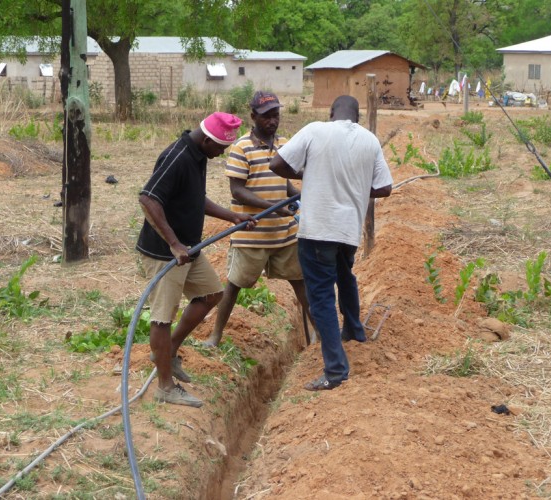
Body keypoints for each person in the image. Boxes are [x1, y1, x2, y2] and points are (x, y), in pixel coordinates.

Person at [270, 95, 393, 391]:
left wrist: (308, 174)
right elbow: (385, 187)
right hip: (348, 231)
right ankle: (354, 330)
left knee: (321, 296)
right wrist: (357, 188)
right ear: (357, 118)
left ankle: (335, 370)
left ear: (331, 112)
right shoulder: (370, 141)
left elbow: (277, 163)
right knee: (344, 276)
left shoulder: (315, 130)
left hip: (317, 230)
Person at [136, 112, 256, 408]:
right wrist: (174, 243)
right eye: (220, 148)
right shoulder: (177, 157)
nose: (222, 153)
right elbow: (148, 198)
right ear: (206, 140)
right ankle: (165, 386)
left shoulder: (199, 154)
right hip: (166, 253)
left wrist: (232, 216)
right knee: (162, 318)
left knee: (212, 293)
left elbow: (195, 199)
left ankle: (168, 351)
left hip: (188, 249)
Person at [202, 91, 314, 348]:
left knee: (301, 283)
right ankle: (216, 335)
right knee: (234, 284)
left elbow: (284, 183)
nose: (272, 121)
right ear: (253, 117)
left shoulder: (285, 144)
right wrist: (271, 207)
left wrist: (301, 197)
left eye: (276, 115)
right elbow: (237, 190)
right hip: (251, 231)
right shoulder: (242, 147)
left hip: (283, 232)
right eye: (266, 116)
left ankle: (316, 339)